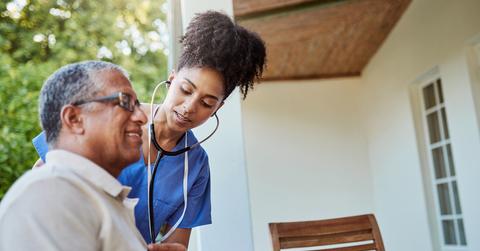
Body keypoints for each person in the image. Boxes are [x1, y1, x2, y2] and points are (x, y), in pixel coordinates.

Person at [32, 10, 267, 247]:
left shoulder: (196, 167)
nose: (189, 107)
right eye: (185, 90)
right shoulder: (109, 114)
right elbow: (42, 176)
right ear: (172, 78)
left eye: (206, 103)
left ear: (218, 107)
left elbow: (178, 243)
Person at [0, 61, 185, 251]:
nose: (142, 117)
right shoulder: (49, 194)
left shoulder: (102, 202)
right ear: (74, 119)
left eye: (137, 105)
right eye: (125, 102)